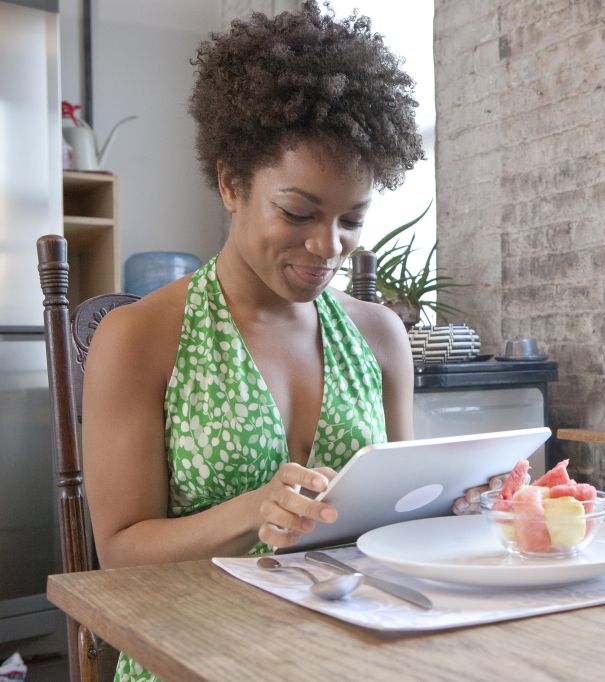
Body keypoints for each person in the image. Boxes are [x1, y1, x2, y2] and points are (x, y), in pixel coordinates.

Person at [81, 4, 424, 679]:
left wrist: (459, 499)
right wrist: (251, 511)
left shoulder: (379, 335)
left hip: (350, 657)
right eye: (298, 212)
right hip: (191, 658)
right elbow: (118, 553)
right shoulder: (139, 338)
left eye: (351, 218)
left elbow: (399, 518)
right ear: (231, 184)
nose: (328, 247)